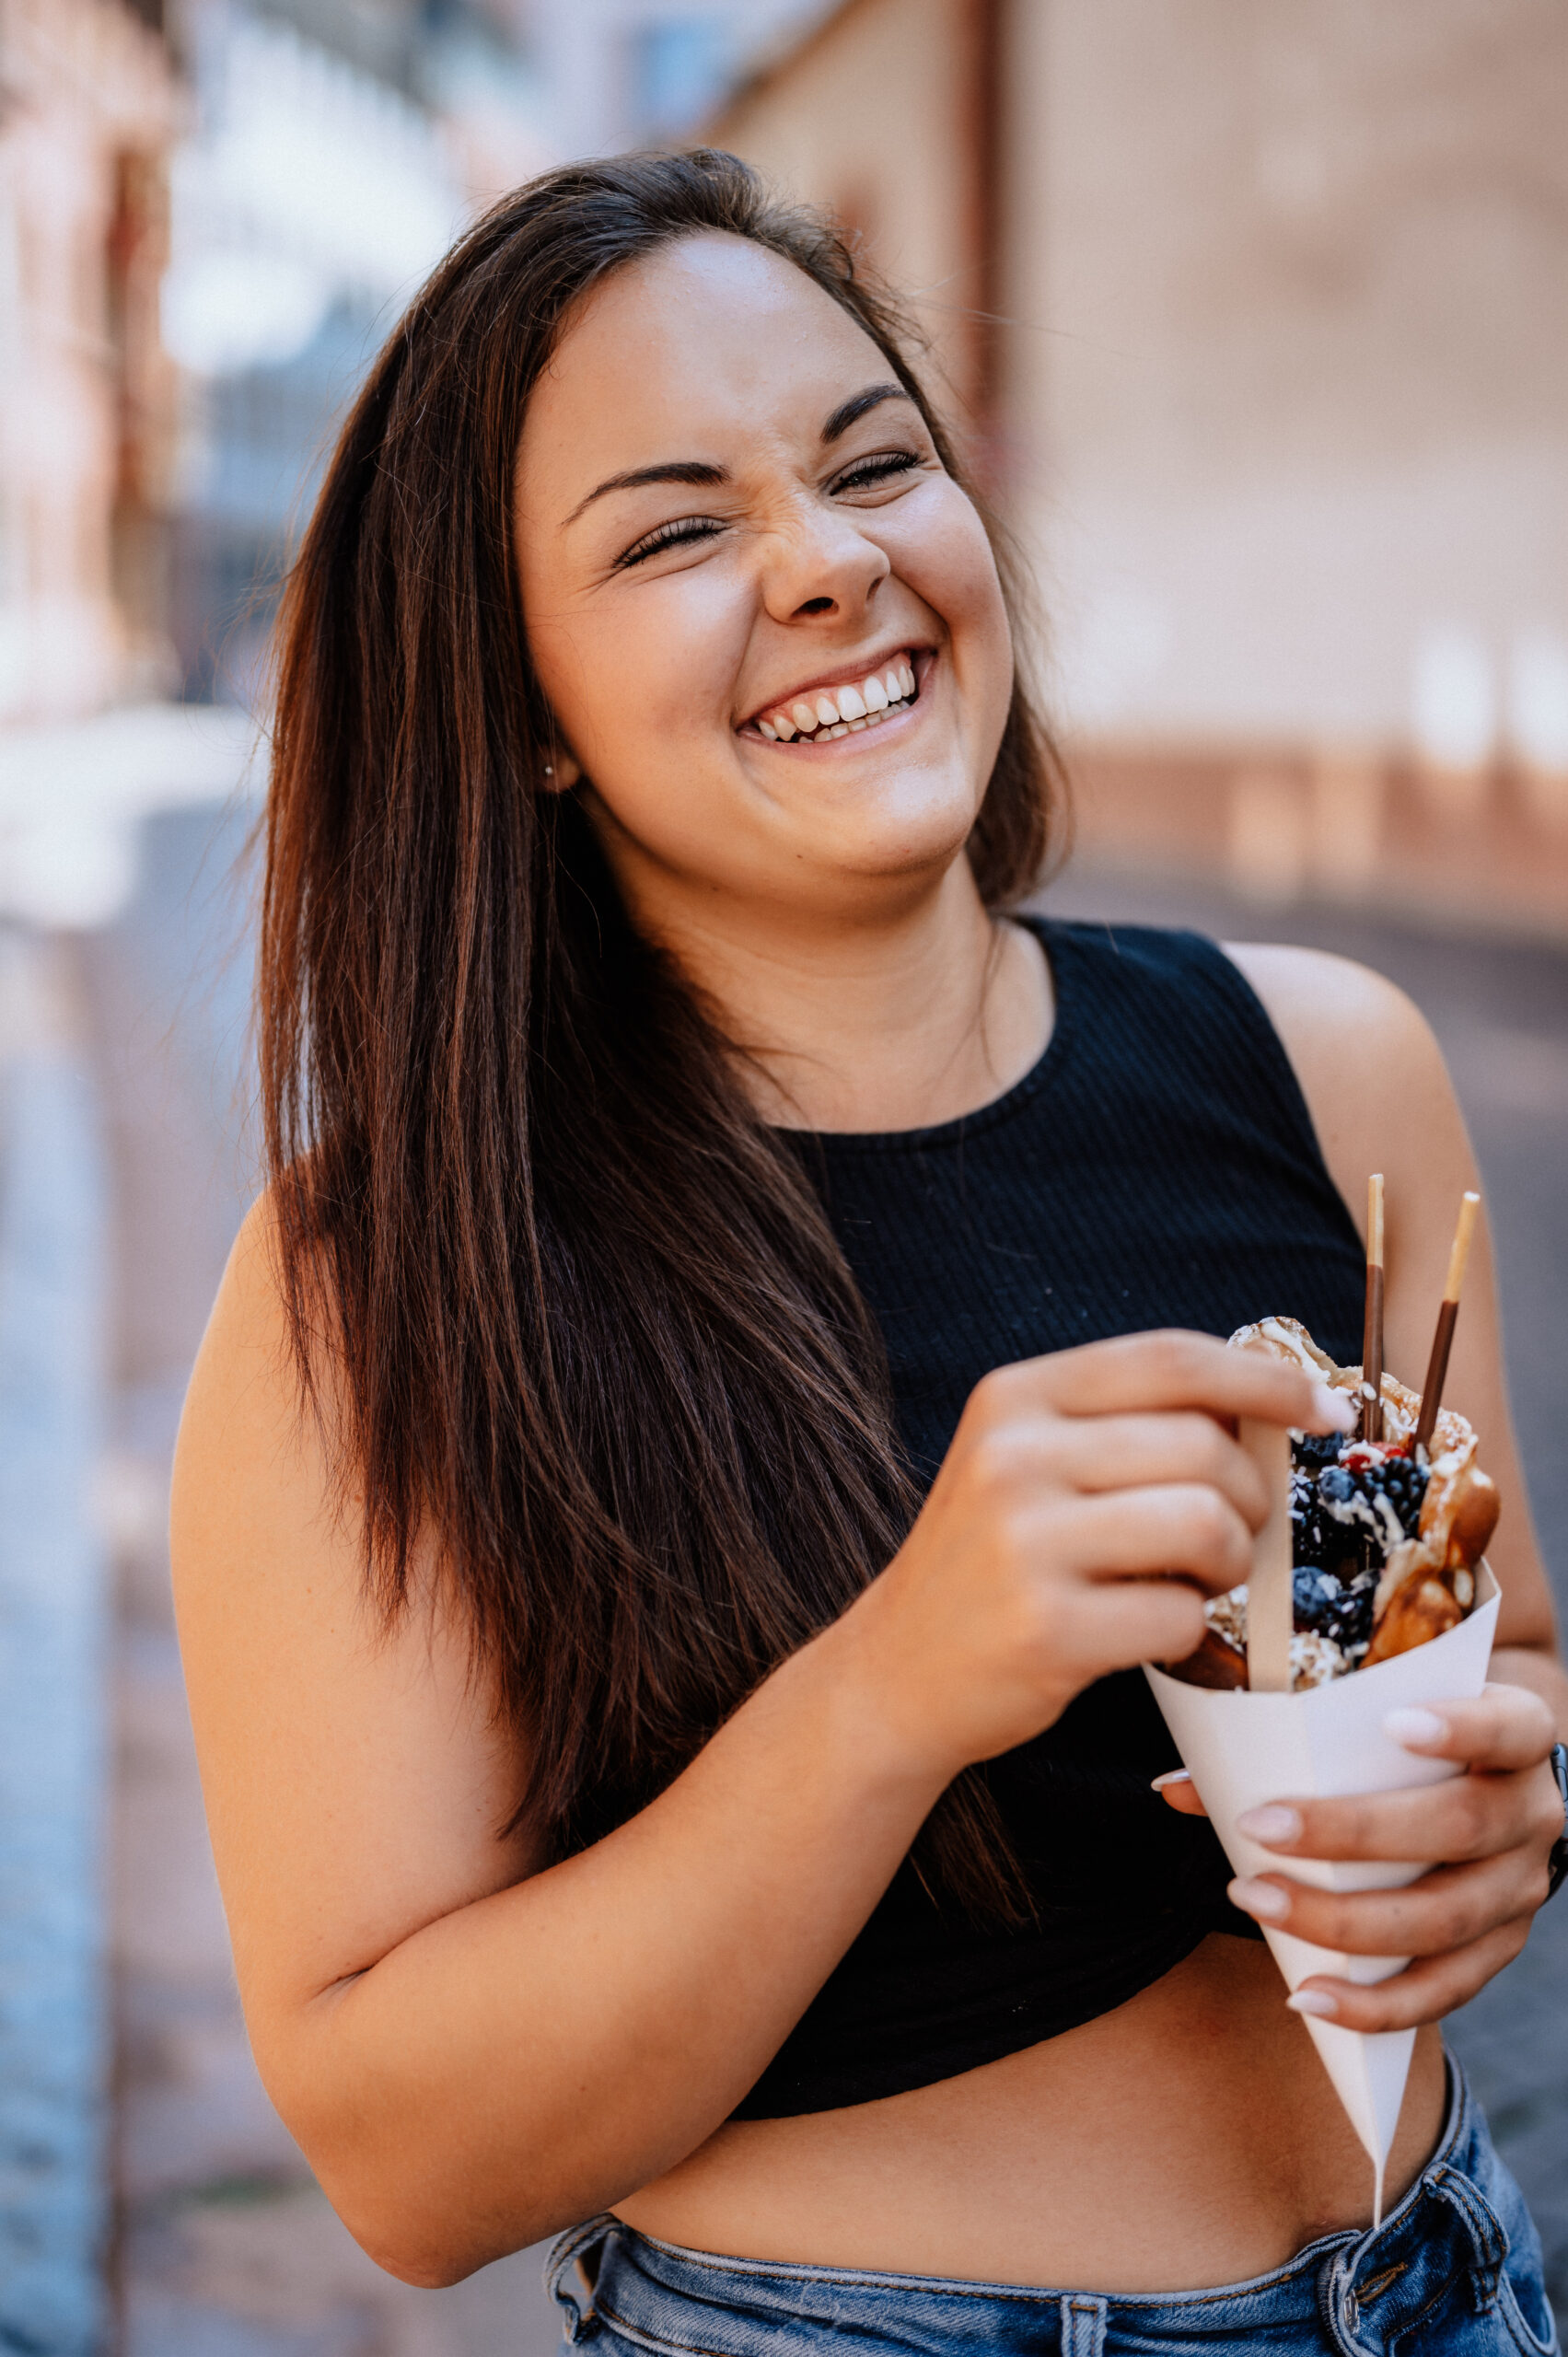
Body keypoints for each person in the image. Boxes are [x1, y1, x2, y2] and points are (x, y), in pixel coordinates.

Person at [172, 153, 1567, 2354]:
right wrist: (891, 1687)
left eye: (872, 462)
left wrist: (1500, 1818)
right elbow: (402, 2166)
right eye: (673, 531)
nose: (829, 565)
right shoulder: (390, 1271)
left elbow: (1497, 1667)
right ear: (519, 703)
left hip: (1451, 2281)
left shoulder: (1332, 1062)